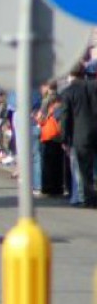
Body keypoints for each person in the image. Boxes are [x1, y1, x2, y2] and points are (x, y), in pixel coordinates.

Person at [59, 62, 97, 207]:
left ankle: (88, 198)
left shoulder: (68, 92)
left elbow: (65, 117)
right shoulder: (93, 86)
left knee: (84, 169)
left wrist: (64, 138)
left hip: (80, 135)